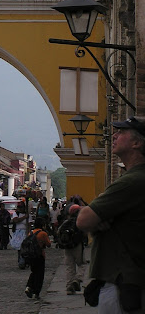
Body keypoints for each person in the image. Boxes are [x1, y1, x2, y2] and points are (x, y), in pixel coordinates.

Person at [77, 116, 145, 313]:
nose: (114, 135)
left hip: (121, 282)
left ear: (137, 143)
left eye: (121, 132)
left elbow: (83, 220)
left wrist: (98, 215)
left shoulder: (131, 181)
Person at [57, 204, 86, 295]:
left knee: (70, 267)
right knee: (82, 264)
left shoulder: (66, 223)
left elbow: (58, 232)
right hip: (77, 246)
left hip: (67, 247)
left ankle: (69, 287)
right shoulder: (79, 222)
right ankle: (77, 279)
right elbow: (84, 233)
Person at [24, 217, 51, 300]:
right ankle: (36, 292)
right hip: (40, 255)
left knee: (34, 272)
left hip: (31, 256)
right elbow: (48, 244)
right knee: (40, 275)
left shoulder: (31, 232)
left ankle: (29, 286)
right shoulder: (43, 233)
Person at [10, 200, 28, 268]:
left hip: (25, 232)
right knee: (19, 248)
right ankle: (21, 261)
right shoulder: (16, 213)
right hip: (18, 232)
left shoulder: (27, 214)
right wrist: (24, 217)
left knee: (24, 248)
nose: (20, 209)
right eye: (19, 207)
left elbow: (29, 224)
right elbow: (16, 220)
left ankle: (23, 261)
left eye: (21, 207)